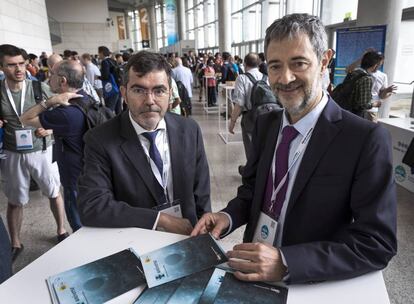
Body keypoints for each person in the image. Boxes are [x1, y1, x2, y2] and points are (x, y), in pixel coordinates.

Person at [192, 14, 397, 284]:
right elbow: (254, 190)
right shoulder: (266, 123)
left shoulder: (364, 139)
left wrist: (287, 262)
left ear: (324, 61)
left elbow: (377, 242)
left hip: (308, 280)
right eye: (275, 66)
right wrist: (227, 216)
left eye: (298, 63)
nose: (285, 78)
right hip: (250, 268)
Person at [77, 51, 211, 235]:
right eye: (139, 90)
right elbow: (92, 206)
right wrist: (159, 219)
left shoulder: (189, 129)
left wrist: (205, 229)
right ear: (124, 93)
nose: (150, 100)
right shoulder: (100, 139)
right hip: (136, 240)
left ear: (170, 93)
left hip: (188, 234)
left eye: (159, 90)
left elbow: (201, 191)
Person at [0, 45, 69, 262]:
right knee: (14, 200)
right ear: (2, 66)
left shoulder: (39, 88)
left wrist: (49, 129)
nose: (18, 69)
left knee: (53, 192)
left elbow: (62, 113)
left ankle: (60, 230)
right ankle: (15, 243)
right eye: (11, 65)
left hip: (42, 149)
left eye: (21, 63)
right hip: (12, 152)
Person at [20, 60, 87, 232]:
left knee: (78, 223)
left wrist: (49, 102)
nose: (49, 79)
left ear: (62, 80)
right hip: (90, 170)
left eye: (52, 75)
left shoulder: (64, 112)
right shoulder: (87, 100)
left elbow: (25, 119)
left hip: (73, 176)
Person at [229, 53, 266, 163]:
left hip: (250, 117)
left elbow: (239, 103)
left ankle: (252, 174)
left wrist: (232, 122)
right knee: (264, 147)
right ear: (258, 64)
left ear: (245, 64)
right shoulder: (266, 78)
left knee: (251, 149)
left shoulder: (242, 78)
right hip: (267, 116)